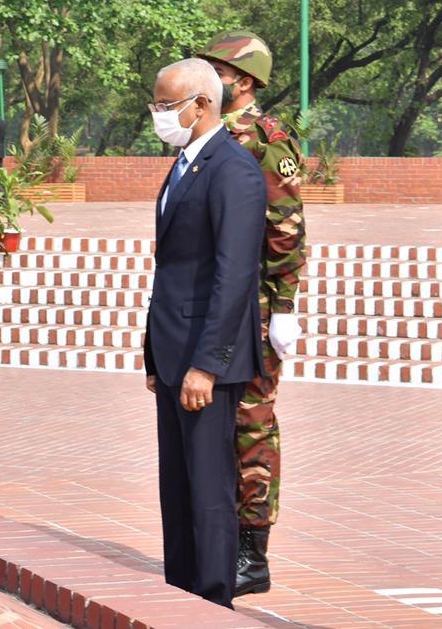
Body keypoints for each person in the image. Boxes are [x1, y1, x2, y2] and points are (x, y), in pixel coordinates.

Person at [143, 57, 266, 609]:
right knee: (178, 486)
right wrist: (154, 354)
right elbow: (171, 268)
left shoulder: (233, 169)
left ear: (202, 104)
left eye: (167, 106)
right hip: (172, 352)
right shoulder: (185, 164)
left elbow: (233, 274)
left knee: (210, 489)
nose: (159, 116)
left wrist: (208, 363)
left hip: (204, 361)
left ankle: (213, 601)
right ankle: (181, 595)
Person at [197, 29, 306, 597]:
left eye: (217, 68)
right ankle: (216, 540)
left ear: (243, 80)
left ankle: (252, 553)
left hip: (256, 309)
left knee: (252, 427)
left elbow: (287, 228)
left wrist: (284, 307)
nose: (206, 76)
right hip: (216, 302)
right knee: (216, 426)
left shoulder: (266, 139)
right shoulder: (208, 136)